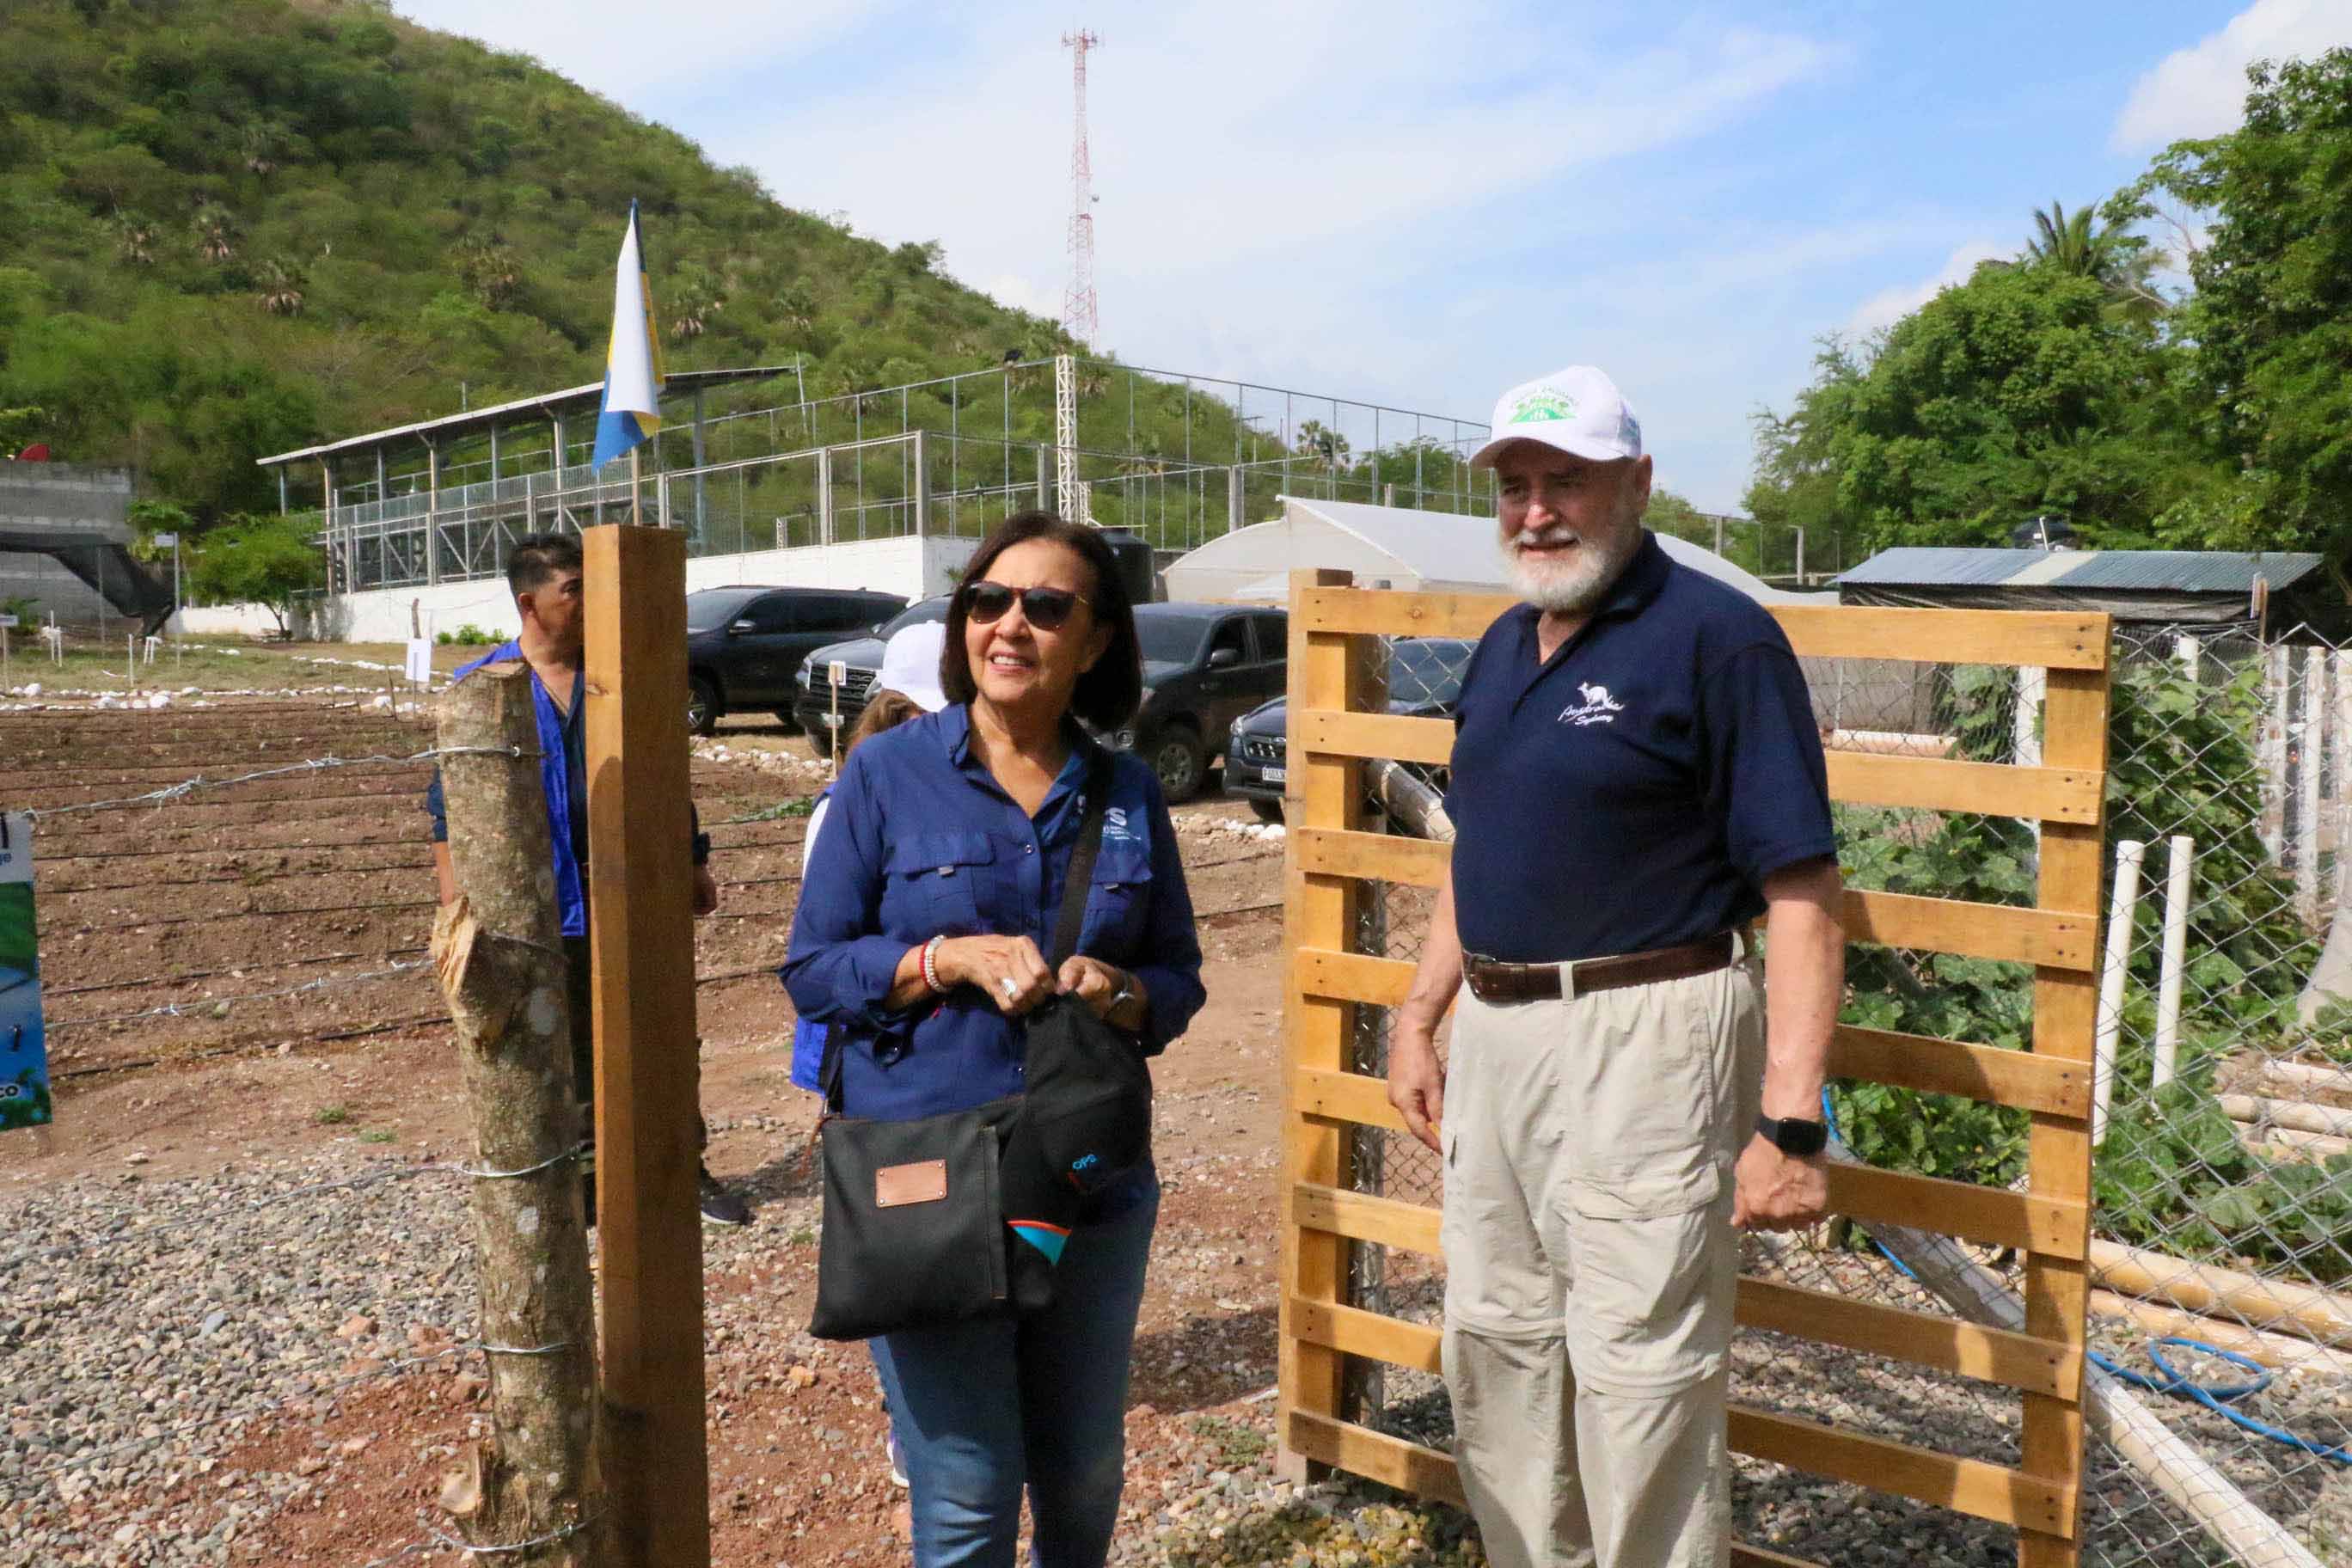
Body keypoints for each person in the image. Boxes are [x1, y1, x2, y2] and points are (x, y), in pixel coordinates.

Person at [1385, 367, 1844, 1568]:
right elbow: (1482, 844)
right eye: (1516, 487)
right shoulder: (1502, 647)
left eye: (1567, 483)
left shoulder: (1717, 639)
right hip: (1498, 1036)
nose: (1536, 512)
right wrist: (1422, 1011)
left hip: (1646, 1032)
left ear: (1637, 484)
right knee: (1498, 1343)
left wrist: (1791, 1121)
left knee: (1642, 1371)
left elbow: (1802, 891)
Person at [782, 511, 1205, 1568]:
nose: (1010, 625)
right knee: (969, 1490)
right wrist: (943, 960)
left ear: (1095, 641)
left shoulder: (1126, 791)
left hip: (1086, 1176)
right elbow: (814, 969)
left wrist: (1120, 990)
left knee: (1083, 1471)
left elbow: (1178, 980)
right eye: (988, 600)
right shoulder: (885, 774)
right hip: (928, 1178)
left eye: (1046, 606)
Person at [425, 531, 751, 1228]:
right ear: (530, 603)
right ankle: (590, 1183)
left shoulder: (621, 679)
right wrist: (456, 907)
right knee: (563, 1048)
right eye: (575, 590)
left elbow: (664, 772)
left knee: (660, 1038)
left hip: (634, 897)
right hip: (539, 911)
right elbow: (446, 810)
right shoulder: (483, 689)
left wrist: (692, 858)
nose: (590, 602)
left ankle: (680, 1169)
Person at [787, 621, 948, 1496]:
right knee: (900, 1233)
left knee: (929, 1224)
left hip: (897, 1045)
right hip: (874, 1044)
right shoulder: (852, 804)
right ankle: (910, 1420)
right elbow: (824, 955)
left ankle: (933, 1410)